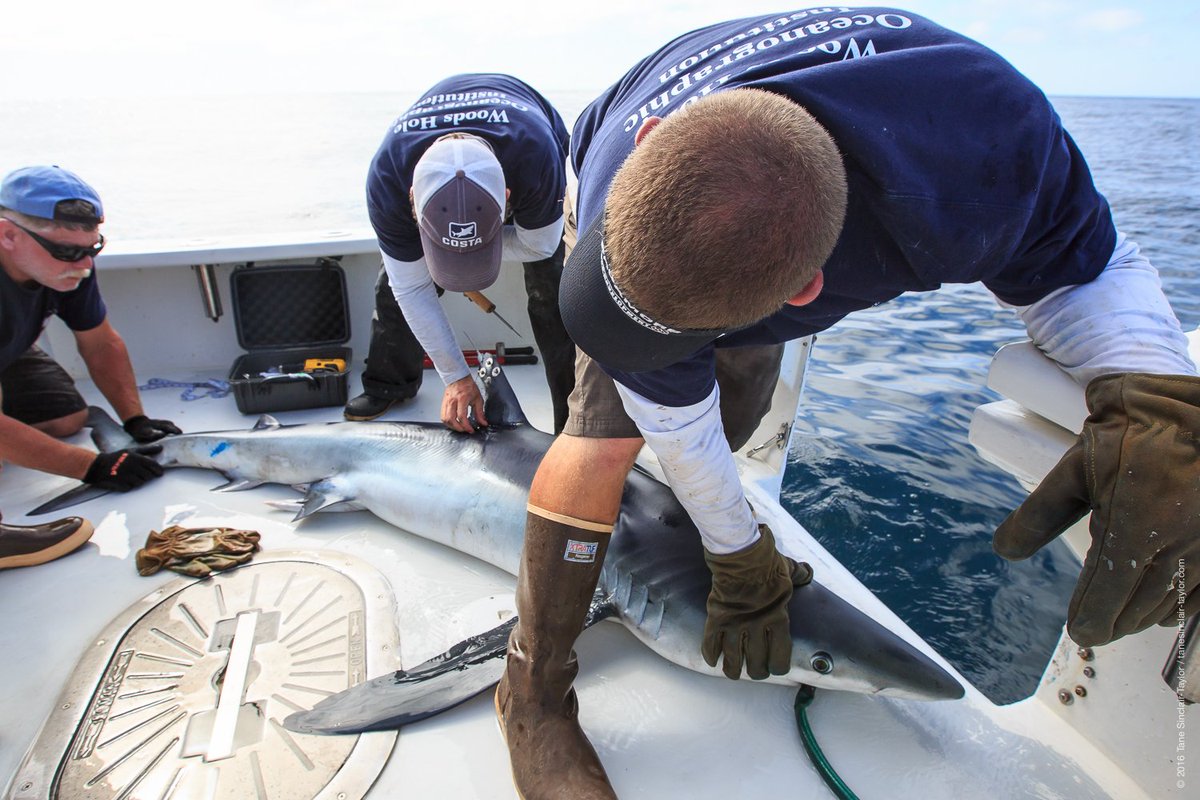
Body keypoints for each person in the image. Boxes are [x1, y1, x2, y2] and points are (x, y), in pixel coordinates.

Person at [494, 9, 1199, 798]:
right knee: (605, 434)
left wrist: (1153, 393)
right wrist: (736, 549)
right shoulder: (628, 153)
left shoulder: (996, 151)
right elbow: (666, 402)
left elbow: (1088, 270)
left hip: (794, 232)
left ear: (802, 300)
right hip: (642, 215)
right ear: (657, 133)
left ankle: (684, 497)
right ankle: (531, 694)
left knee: (730, 408)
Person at [349, 73, 576, 433]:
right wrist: (455, 376)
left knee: (555, 289)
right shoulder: (387, 177)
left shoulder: (537, 161)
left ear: (506, 198)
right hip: (439, 176)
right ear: (411, 201)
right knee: (392, 283)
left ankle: (573, 421)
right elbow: (410, 287)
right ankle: (390, 384)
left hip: (526, 151)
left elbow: (541, 244)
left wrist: (474, 248)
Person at [0, 166, 178, 566]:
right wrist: (93, 466)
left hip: (11, 351)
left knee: (68, 419)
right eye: (66, 251)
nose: (82, 263)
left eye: (92, 249)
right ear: (8, 235)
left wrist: (135, 420)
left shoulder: (70, 268)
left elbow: (100, 342)